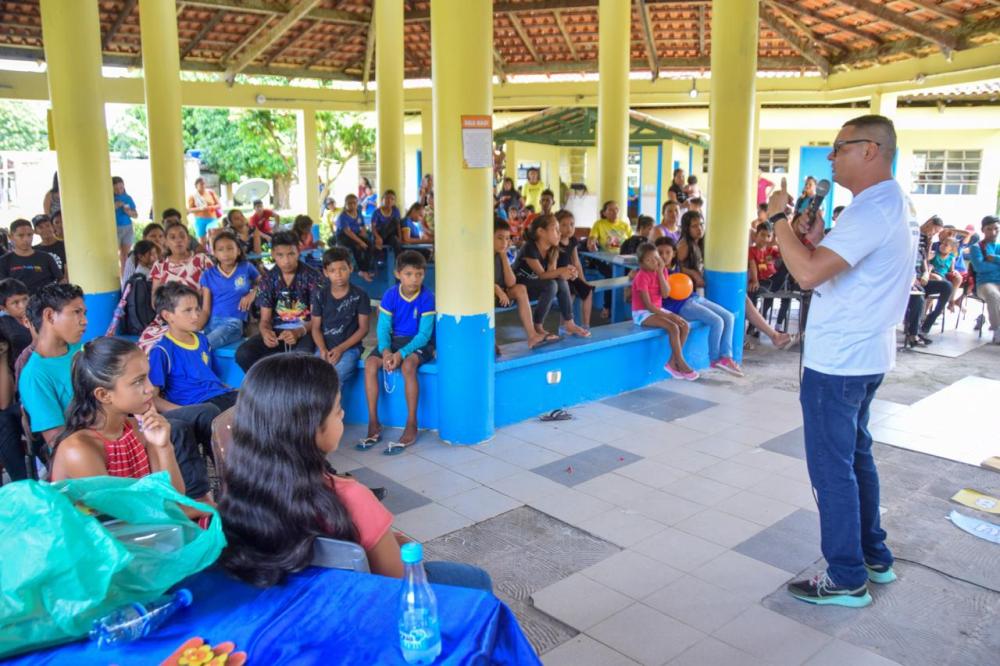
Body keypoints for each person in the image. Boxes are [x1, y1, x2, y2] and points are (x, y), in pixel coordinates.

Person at [774, 114, 918, 607]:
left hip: (839, 363)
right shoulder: (891, 204)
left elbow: (809, 274)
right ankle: (874, 556)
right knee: (857, 457)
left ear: (871, 150)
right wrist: (812, 239)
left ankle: (846, 575)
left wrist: (777, 220)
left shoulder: (872, 209)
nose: (831, 158)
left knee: (831, 470)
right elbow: (834, 266)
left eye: (840, 148)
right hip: (867, 353)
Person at [217, 353, 492, 590]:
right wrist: (397, 547)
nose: (344, 415)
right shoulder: (352, 497)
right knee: (476, 579)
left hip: (302, 605)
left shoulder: (239, 488)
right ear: (311, 428)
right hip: (371, 609)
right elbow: (397, 583)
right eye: (337, 410)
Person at [49, 337, 184, 494]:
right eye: (138, 381)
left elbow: (176, 498)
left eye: (147, 377)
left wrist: (163, 447)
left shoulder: (139, 429)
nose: (150, 388)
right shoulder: (79, 450)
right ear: (104, 395)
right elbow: (125, 514)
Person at [361, 251, 435, 452]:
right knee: (369, 364)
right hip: (394, 341)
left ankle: (411, 423)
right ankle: (373, 421)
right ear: (398, 274)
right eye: (409, 274)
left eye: (419, 274)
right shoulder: (390, 295)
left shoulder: (427, 297)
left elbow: (424, 336)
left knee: (409, 366)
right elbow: (383, 329)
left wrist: (400, 354)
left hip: (418, 343)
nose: (414, 279)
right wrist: (386, 352)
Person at [657, 236, 743, 377]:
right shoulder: (657, 271)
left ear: (674, 253)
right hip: (681, 306)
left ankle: (726, 356)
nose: (664, 256)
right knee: (717, 321)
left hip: (694, 298)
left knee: (729, 317)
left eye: (667, 252)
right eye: (660, 253)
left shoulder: (677, 266)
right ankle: (715, 359)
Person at [235, 231, 320, 372]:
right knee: (243, 354)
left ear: (298, 252)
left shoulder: (313, 277)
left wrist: (298, 332)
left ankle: (288, 391)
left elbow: (317, 318)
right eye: (280, 255)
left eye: (291, 254)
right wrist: (265, 332)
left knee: (299, 360)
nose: (286, 260)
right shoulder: (268, 280)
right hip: (278, 332)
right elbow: (265, 319)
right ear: (273, 255)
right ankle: (266, 388)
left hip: (306, 331)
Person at [148, 283, 239, 414]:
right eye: (188, 310)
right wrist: (186, 412)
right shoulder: (162, 351)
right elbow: (153, 399)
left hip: (221, 396)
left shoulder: (202, 340)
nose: (196, 316)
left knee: (259, 400)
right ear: (167, 315)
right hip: (197, 406)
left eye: (197, 309)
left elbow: (211, 378)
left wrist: (236, 391)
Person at [139, 221, 212, 351]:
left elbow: (209, 297)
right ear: (166, 242)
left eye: (182, 236)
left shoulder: (202, 260)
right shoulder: (160, 266)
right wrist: (171, 318)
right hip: (167, 320)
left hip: (195, 317)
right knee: (148, 345)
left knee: (182, 348)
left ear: (189, 239)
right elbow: (155, 301)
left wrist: (200, 321)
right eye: (172, 237)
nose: (178, 240)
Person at [515, 216, 590, 341]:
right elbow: (542, 275)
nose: (559, 233)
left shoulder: (552, 248)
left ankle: (569, 323)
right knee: (551, 285)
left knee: (559, 282)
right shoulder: (530, 247)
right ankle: (537, 325)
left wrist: (568, 271)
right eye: (555, 229)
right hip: (520, 286)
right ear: (541, 232)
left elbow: (551, 273)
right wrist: (561, 271)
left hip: (537, 286)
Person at [631, 243, 698, 380]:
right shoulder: (641, 276)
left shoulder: (662, 271)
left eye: (656, 258)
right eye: (649, 260)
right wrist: (669, 315)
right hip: (642, 313)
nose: (654, 262)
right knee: (673, 327)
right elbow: (648, 305)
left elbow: (666, 294)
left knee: (684, 326)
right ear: (641, 263)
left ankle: (672, 362)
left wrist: (661, 272)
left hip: (657, 310)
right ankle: (681, 362)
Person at [311, 247, 371, 384]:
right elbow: (315, 327)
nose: (338, 274)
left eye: (342, 269)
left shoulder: (360, 295)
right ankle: (324, 406)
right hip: (324, 348)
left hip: (350, 349)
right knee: (313, 377)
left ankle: (333, 406)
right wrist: (322, 349)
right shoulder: (320, 295)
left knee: (334, 378)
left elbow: (364, 329)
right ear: (326, 273)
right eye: (332, 271)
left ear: (350, 268)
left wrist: (340, 349)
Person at [199, 231, 259, 349]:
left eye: (230, 248)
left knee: (204, 345)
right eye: (221, 249)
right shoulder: (208, 275)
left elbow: (264, 283)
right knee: (193, 343)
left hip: (234, 323)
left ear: (238, 251)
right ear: (214, 253)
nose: (226, 253)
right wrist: (196, 326)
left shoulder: (246, 267)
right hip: (211, 322)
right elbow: (205, 309)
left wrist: (253, 293)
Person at [494, 220, 547, 349]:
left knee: (520, 288)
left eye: (507, 239)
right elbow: (480, 281)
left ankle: (532, 335)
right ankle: (490, 342)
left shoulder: (502, 255)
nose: (504, 242)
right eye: (499, 238)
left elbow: (511, 282)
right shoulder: (483, 256)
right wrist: (497, 290)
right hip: (484, 295)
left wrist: (503, 257)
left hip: (503, 294)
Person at [0, 219, 62, 294]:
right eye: (21, 235)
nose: (26, 239)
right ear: (11, 237)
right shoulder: (4, 261)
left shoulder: (46, 257)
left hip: (45, 303)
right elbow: (3, 289)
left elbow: (61, 280)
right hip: (19, 304)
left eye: (29, 235)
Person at [556, 210, 593, 330]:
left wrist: (582, 280)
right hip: (558, 277)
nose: (569, 228)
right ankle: (563, 326)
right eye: (564, 225)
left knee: (588, 291)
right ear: (557, 226)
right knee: (568, 296)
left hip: (571, 275)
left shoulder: (572, 241)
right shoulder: (554, 242)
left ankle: (586, 325)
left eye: (572, 224)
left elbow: (576, 262)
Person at [969, 215, 1000, 344]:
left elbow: (986, 264)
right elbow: (980, 267)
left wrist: (995, 259)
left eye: (996, 229)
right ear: (983, 230)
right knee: (993, 295)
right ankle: (997, 330)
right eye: (989, 229)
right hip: (985, 284)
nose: (993, 232)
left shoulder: (998, 246)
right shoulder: (976, 247)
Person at [333, 193, 376, 282]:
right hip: (344, 237)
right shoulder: (342, 216)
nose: (352, 205)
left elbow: (362, 227)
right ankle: (361, 271)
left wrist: (365, 239)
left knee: (370, 244)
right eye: (349, 203)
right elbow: (348, 232)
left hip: (356, 235)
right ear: (345, 204)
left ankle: (366, 269)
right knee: (356, 247)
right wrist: (360, 242)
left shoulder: (359, 213)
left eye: (354, 203)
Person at [0, 278, 33, 367]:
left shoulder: (38, 316)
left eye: (25, 299)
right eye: (15, 303)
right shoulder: (3, 326)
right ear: (3, 308)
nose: (23, 305)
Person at [928, 237, 961, 312]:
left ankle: (951, 300)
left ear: (951, 249)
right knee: (937, 279)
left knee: (958, 278)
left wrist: (954, 272)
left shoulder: (951, 258)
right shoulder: (934, 254)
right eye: (942, 243)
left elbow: (951, 270)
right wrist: (929, 246)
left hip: (943, 278)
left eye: (946, 245)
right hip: (933, 275)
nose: (942, 246)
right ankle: (924, 314)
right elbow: (927, 258)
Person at [676, 210, 706, 292]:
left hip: (699, 286)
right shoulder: (684, 245)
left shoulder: (701, 242)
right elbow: (676, 267)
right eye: (694, 226)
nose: (699, 228)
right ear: (687, 228)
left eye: (701, 224)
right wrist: (693, 273)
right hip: (686, 289)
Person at [113, 176, 138, 270]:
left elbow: (135, 215)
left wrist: (129, 212)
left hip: (127, 228)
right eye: (116, 189)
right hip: (114, 228)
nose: (119, 190)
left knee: (125, 256)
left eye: (121, 188)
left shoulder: (128, 198)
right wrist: (115, 206)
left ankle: (125, 278)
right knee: (113, 255)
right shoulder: (108, 199)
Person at [187, 177, 221, 246]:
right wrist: (200, 209)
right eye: (201, 184)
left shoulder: (210, 193)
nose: (203, 186)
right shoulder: (193, 196)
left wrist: (211, 207)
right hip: (199, 219)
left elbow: (219, 205)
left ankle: (214, 253)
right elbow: (189, 210)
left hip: (212, 218)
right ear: (196, 185)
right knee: (202, 240)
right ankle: (204, 254)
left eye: (204, 184)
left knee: (213, 235)